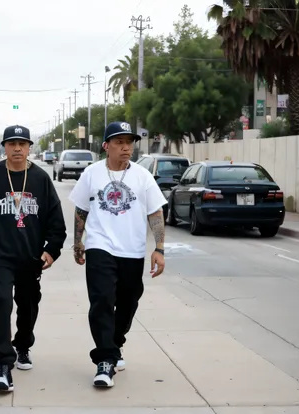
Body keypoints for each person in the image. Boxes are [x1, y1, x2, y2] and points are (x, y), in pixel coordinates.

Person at [0, 124, 67, 392]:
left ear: (30, 147)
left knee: (29, 304)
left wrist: (51, 250)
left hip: (31, 257)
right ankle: (1, 364)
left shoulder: (41, 179)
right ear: (5, 147)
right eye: (12, 144)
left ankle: (22, 345)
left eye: (22, 144)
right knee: (1, 301)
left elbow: (56, 221)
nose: (18, 148)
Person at [68, 121, 166, 388]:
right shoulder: (91, 173)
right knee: (101, 300)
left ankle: (115, 342)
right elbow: (81, 211)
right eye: (119, 142)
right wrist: (79, 243)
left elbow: (155, 212)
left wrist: (159, 248)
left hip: (132, 250)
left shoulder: (142, 176)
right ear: (106, 146)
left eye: (129, 142)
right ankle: (105, 360)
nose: (126, 148)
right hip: (100, 246)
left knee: (128, 302)